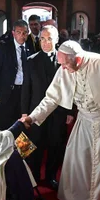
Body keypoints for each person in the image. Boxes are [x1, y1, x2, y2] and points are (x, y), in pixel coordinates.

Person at [21, 40, 100, 200]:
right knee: (78, 157)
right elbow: (51, 99)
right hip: (84, 118)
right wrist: (32, 117)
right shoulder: (64, 69)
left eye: (65, 64)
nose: (62, 69)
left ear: (76, 58)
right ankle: (79, 197)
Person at [21, 25, 74, 190]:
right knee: (33, 146)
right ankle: (34, 176)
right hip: (36, 112)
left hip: (59, 112)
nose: (45, 42)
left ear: (57, 40)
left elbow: (71, 88)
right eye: (42, 38)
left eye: (49, 38)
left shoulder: (64, 60)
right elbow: (26, 89)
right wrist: (25, 113)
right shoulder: (30, 61)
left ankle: (51, 177)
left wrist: (70, 111)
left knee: (56, 146)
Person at [0, 20, 34, 130]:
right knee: (6, 122)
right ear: (13, 33)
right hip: (7, 92)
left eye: (24, 33)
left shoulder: (30, 49)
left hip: (24, 92)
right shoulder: (4, 49)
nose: (22, 35)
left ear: (28, 33)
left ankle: (20, 147)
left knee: (21, 122)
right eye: (19, 32)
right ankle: (6, 146)